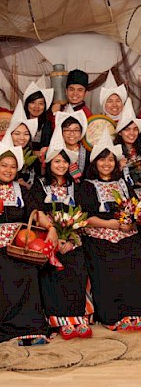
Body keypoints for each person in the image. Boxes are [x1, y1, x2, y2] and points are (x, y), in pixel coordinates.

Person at [79, 127, 141, 331]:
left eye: (110, 160)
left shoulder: (122, 183)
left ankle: (135, 312)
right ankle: (113, 316)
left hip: (125, 234)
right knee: (108, 265)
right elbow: (85, 217)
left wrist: (131, 222)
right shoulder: (87, 186)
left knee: (132, 260)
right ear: (95, 163)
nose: (106, 164)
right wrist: (110, 224)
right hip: (99, 236)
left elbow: (135, 207)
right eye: (102, 160)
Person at [28, 127, 93, 340]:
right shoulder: (39, 186)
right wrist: (53, 232)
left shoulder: (78, 187)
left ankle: (77, 318)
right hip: (48, 240)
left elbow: (83, 214)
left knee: (76, 268)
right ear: (48, 164)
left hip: (73, 240)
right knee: (52, 273)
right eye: (57, 161)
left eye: (64, 162)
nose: (61, 165)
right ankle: (58, 320)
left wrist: (71, 239)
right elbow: (36, 212)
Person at [0, 141, 48, 345]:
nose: (8, 170)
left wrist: (52, 228)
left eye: (12, 166)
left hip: (20, 246)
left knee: (29, 272)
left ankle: (30, 329)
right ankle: (6, 331)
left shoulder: (22, 190)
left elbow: (36, 214)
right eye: (4, 165)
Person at [115, 98, 141, 221]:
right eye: (127, 129)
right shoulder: (114, 153)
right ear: (120, 132)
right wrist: (118, 168)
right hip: (122, 200)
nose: (132, 133)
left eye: (135, 129)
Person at [2, 100, 38, 189]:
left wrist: (26, 186)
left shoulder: (33, 157)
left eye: (26, 134)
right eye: (17, 133)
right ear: (10, 134)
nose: (22, 138)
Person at [23, 75, 54, 157]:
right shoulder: (20, 123)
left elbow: (46, 150)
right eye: (33, 102)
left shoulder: (47, 125)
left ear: (45, 106)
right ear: (27, 104)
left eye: (40, 103)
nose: (36, 107)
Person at [57, 109, 90, 183]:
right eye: (67, 130)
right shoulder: (55, 152)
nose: (72, 133)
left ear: (81, 133)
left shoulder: (88, 154)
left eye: (76, 130)